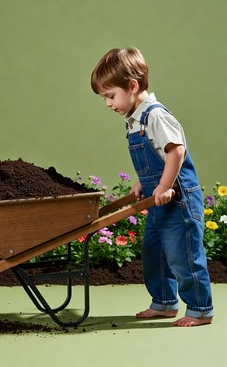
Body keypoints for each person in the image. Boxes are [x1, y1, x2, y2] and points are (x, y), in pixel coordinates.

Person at [90, 47, 214, 327]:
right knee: (154, 253)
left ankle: (200, 309)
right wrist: (143, 182)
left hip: (178, 200)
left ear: (132, 86)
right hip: (159, 201)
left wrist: (165, 185)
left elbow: (176, 152)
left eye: (110, 96)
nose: (108, 103)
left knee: (183, 256)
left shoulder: (154, 116)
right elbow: (156, 156)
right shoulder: (134, 119)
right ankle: (164, 303)